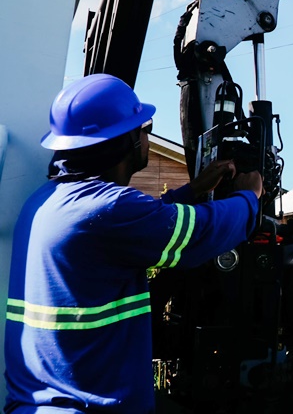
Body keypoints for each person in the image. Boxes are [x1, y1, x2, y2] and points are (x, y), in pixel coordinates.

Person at [4, 74, 264, 413]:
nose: (147, 136)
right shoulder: (110, 209)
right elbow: (200, 233)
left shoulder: (45, 202)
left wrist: (194, 190)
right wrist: (250, 197)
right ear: (126, 140)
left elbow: (142, 223)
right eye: (146, 127)